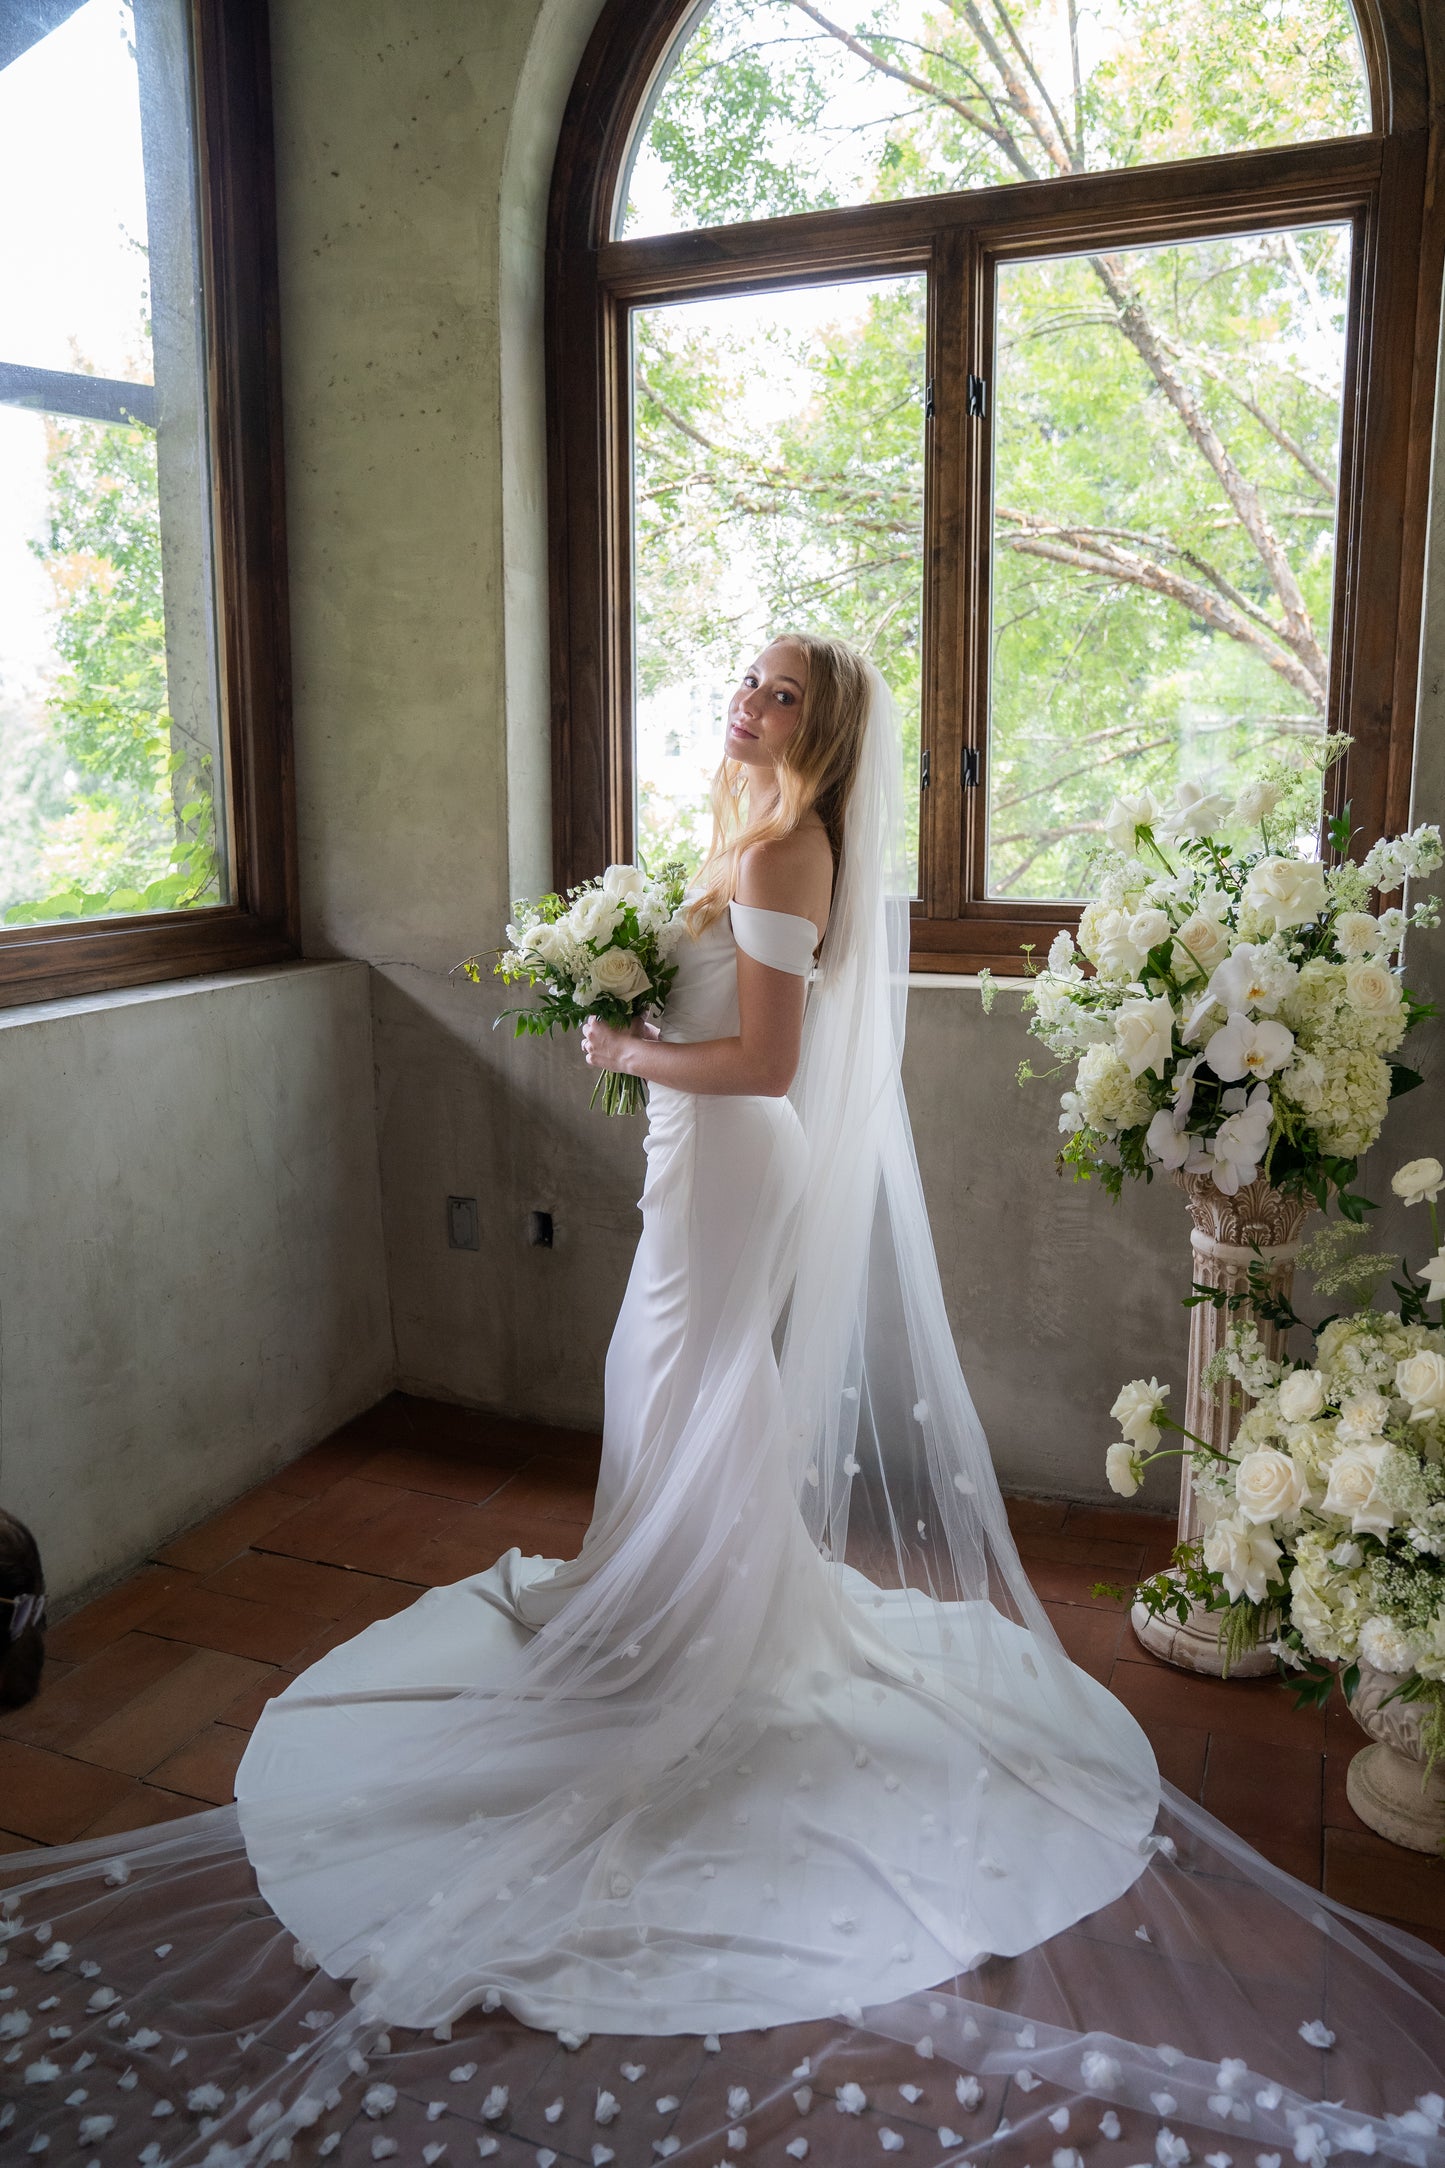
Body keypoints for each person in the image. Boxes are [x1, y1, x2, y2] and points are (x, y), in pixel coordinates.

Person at [2, 636, 1443, 2168]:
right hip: (702, 1164)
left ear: (823, 739)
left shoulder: (787, 840)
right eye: (751, 681)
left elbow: (761, 1061)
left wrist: (623, 1039)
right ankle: (675, 1591)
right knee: (671, 1373)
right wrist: (627, 991)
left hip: (731, 1158)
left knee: (678, 1370)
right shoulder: (744, 822)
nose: (749, 703)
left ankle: (699, 1622)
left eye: (782, 698)